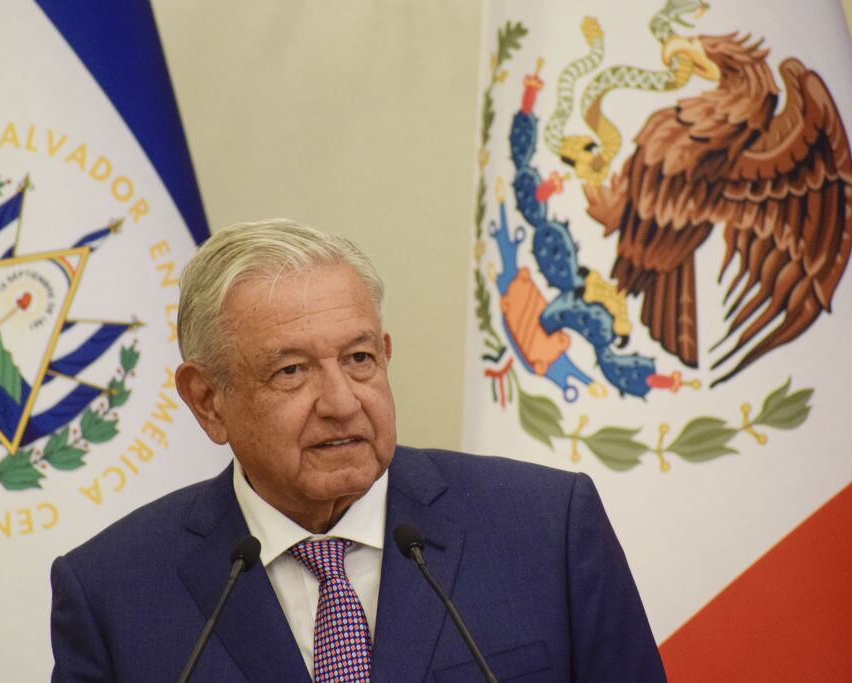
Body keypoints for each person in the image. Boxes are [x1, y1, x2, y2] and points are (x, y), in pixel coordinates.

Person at [50, 219, 665, 681]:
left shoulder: (546, 527)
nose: (342, 402)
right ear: (208, 400)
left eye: (359, 358)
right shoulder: (113, 592)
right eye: (291, 371)